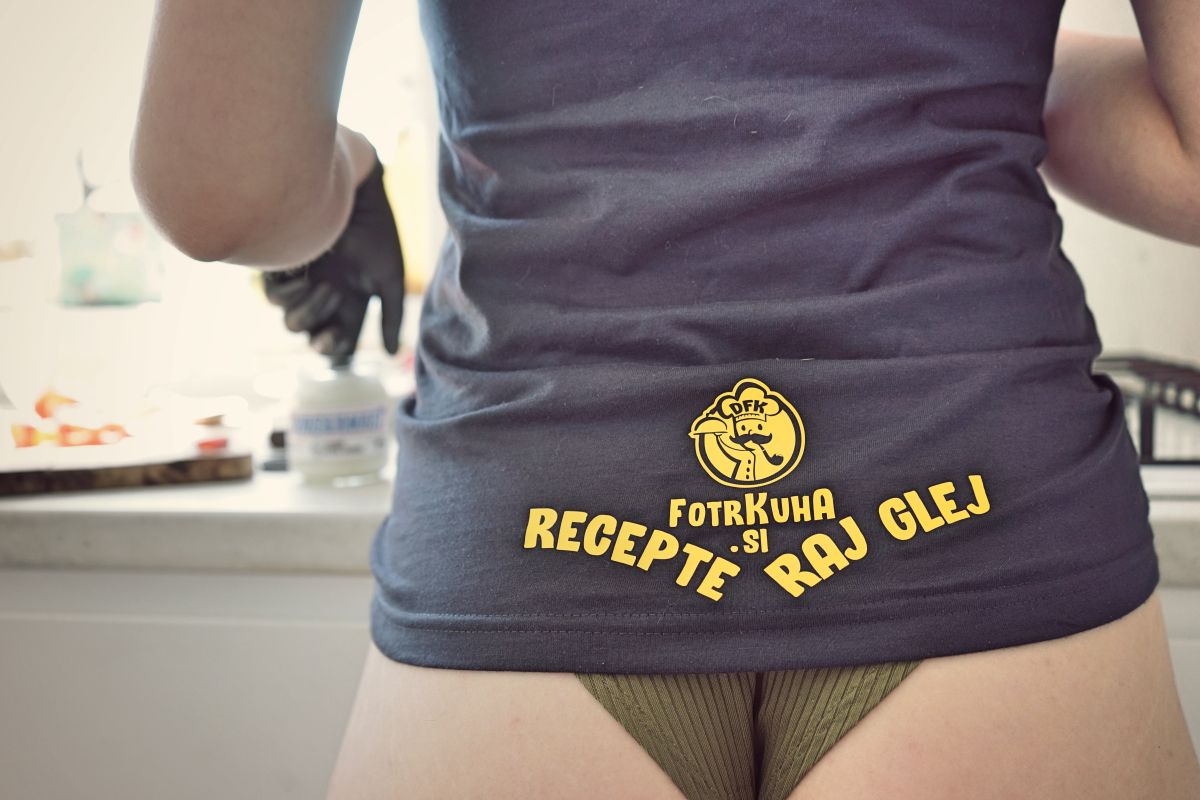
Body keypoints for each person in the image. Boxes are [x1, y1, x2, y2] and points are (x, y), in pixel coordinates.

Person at [131, 1, 1200, 798]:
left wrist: (348, 172)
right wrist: (972, 67)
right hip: (982, 510)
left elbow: (225, 190)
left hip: (536, 531)